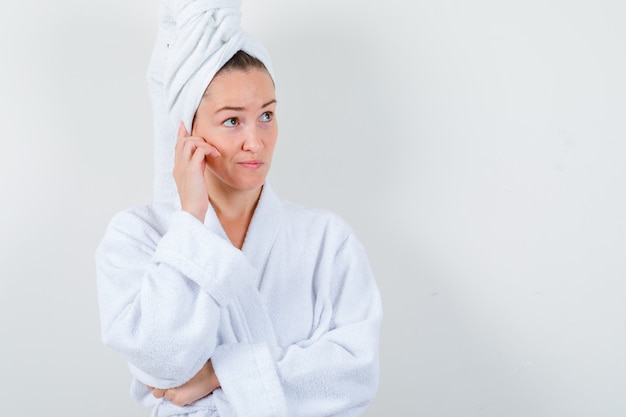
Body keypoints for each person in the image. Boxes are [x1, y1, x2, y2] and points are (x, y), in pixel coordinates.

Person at [96, 1, 382, 416]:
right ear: (188, 131)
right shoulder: (137, 237)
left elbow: (356, 373)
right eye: (233, 121)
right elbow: (161, 362)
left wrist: (220, 373)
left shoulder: (326, 240)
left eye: (266, 115)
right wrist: (190, 219)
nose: (256, 141)